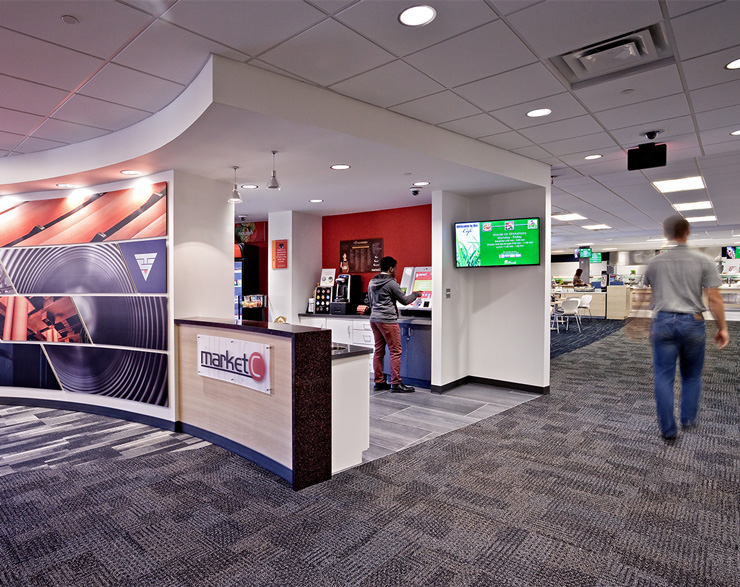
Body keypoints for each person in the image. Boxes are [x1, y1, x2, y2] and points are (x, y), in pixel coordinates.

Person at [644, 215, 729, 440]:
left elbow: (650, 292)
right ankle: (688, 418)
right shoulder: (703, 260)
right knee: (691, 375)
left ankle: (668, 429)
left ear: (666, 234)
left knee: (663, 377)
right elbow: (714, 300)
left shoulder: (655, 262)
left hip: (662, 321)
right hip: (693, 322)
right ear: (688, 232)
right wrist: (723, 328)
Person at [367, 256, 420, 393]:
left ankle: (379, 382)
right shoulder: (391, 283)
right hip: (388, 320)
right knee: (395, 351)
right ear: (390, 268)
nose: (396, 270)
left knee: (378, 351)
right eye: (395, 268)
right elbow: (404, 300)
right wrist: (416, 294)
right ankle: (396, 383)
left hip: (374, 319)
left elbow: (370, 301)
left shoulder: (372, 281)